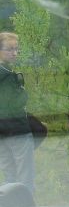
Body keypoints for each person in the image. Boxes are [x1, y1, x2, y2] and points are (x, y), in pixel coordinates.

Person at [0, 32, 35, 195]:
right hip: (17, 131)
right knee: (25, 178)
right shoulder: (7, 76)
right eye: (9, 49)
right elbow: (14, 104)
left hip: (2, 133)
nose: (14, 53)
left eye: (16, 49)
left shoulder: (7, 72)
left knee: (9, 178)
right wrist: (23, 93)